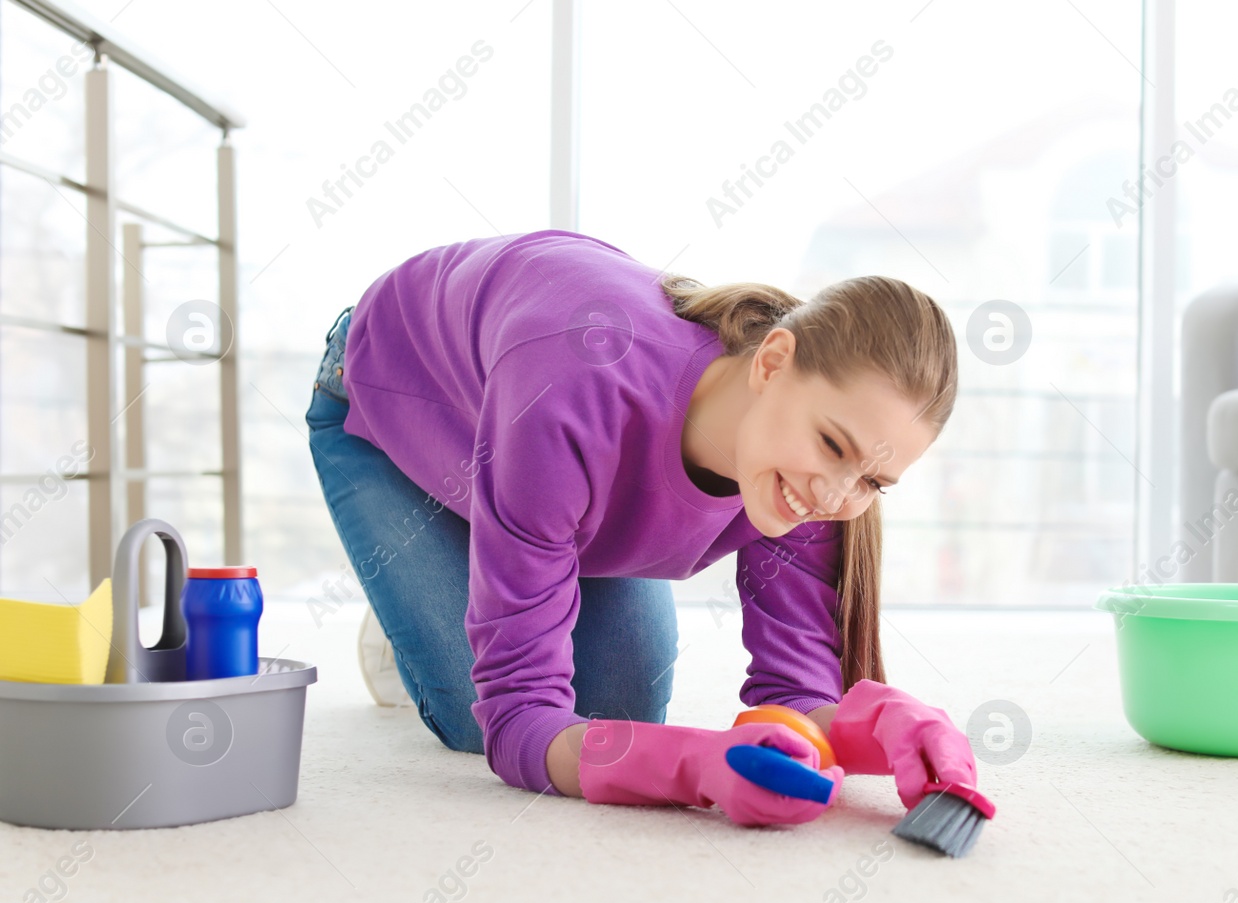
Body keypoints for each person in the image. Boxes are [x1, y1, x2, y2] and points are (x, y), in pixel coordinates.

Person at [305, 230, 979, 826]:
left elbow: (796, 697)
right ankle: (439, 604)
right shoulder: (573, 393)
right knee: (472, 718)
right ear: (772, 363)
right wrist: (694, 768)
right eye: (833, 445)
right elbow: (519, 723)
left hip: (554, 487)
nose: (835, 493)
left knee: (617, 708)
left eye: (873, 481)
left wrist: (883, 725)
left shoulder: (812, 480)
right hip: (393, 403)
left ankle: (512, 567)